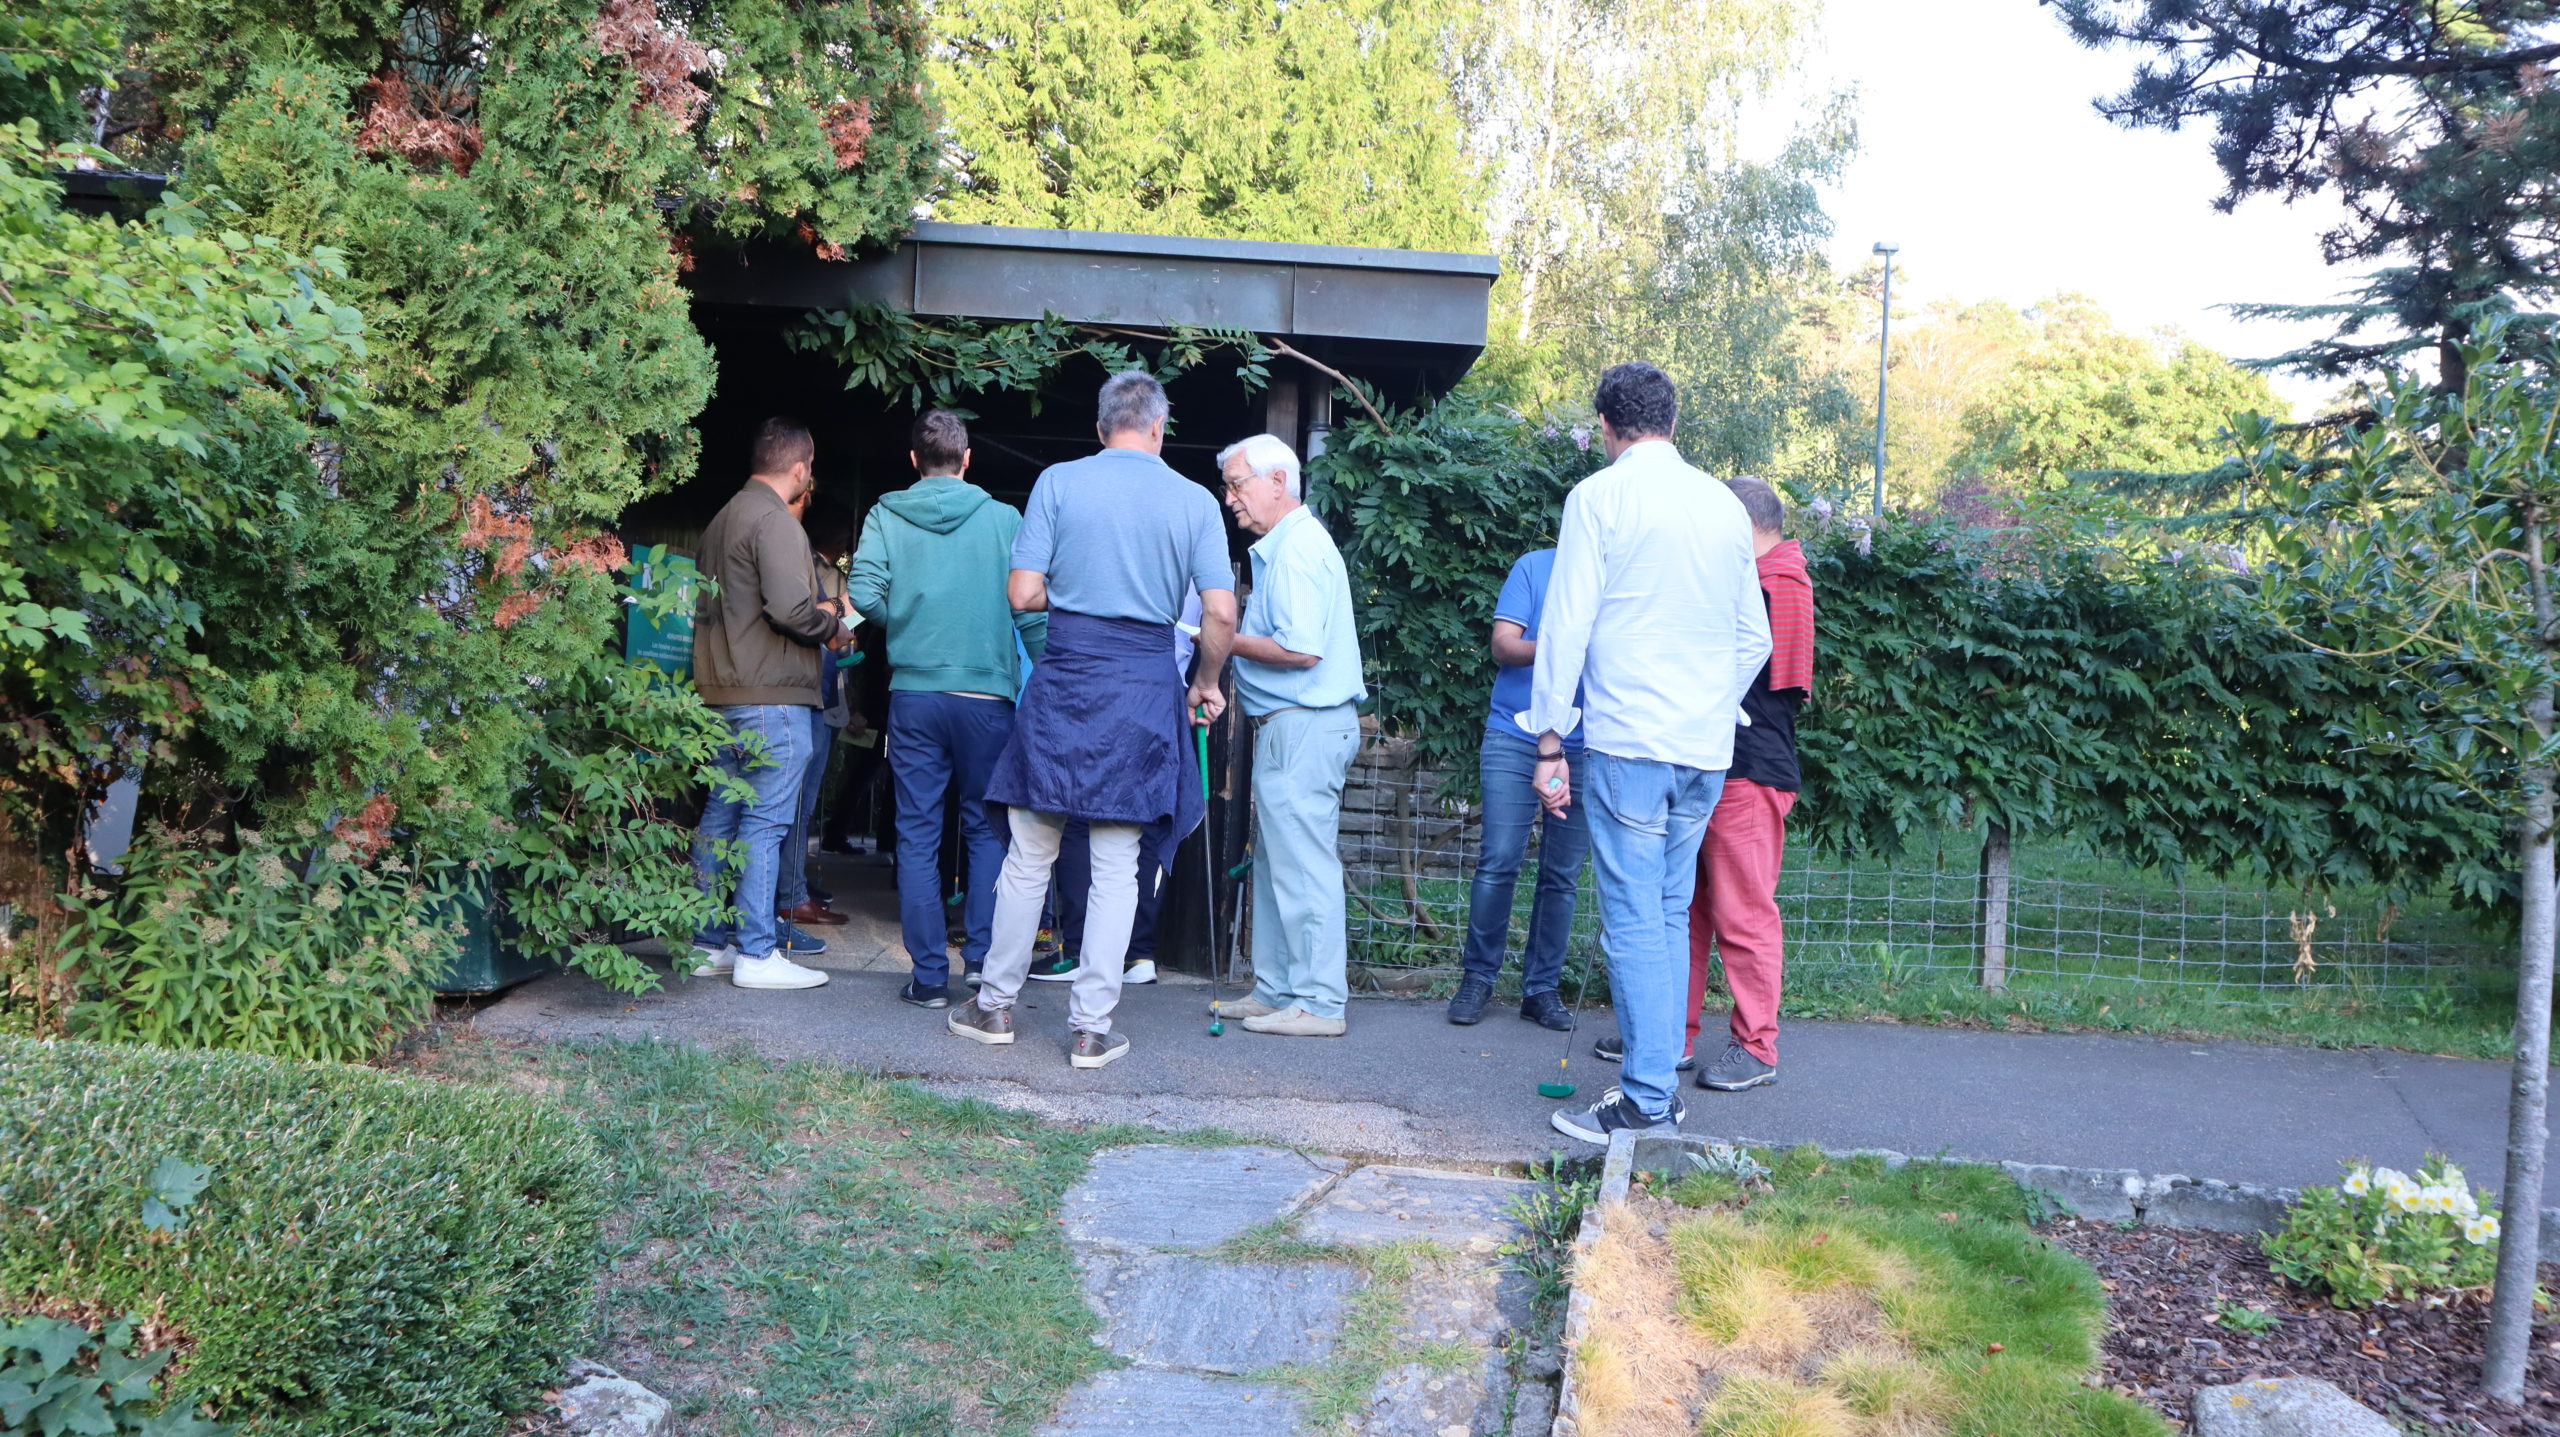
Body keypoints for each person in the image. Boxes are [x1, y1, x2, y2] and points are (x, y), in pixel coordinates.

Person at [947, 372, 1237, 1069]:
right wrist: (1204, 682)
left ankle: (993, 1006)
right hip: (1142, 688)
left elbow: (1023, 592)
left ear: (1102, 427)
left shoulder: (1058, 482)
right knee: (1116, 864)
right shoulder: (1194, 501)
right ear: (1159, 427)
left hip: (1066, 681)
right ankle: (1090, 1030)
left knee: (1030, 852)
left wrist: (1075, 594)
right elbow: (1221, 613)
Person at [1529, 363, 1770, 1143]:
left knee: (1634, 919)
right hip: (1705, 747)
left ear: (1606, 426)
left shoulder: (1599, 497)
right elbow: (1754, 636)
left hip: (1632, 739)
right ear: (1673, 420)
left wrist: (1549, 738)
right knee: (1666, 912)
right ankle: (1658, 1085)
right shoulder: (1724, 506)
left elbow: (1566, 623)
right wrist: (1710, 702)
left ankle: (1644, 1101)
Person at [846, 409, 1048, 1009]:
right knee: (988, 829)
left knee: (916, 832)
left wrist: (907, 621)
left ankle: (930, 977)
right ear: (967, 459)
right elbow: (1029, 610)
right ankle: (982, 964)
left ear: (914, 460)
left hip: (915, 695)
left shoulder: (886, 514)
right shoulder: (1004, 519)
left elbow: (863, 593)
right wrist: (1047, 672)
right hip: (988, 698)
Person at [687, 416, 855, 991]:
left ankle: (706, 942)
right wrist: (833, 620)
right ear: (801, 468)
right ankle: (757, 952)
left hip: (722, 693)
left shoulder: (722, 519)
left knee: (720, 818)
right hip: (772, 698)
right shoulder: (776, 521)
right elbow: (792, 611)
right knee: (765, 823)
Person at [1209, 434, 1366, 1037]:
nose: (1230, 498)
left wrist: (1218, 638)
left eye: (1237, 484)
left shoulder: (1298, 548)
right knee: (1279, 863)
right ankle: (1277, 990)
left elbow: (1301, 650)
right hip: (1295, 727)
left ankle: (1321, 1003)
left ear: (1278, 481)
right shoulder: (1287, 545)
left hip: (1304, 726)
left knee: (1302, 866)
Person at [1684, 477, 1813, 1089]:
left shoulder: (1776, 581)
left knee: (1744, 915)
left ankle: (1757, 1048)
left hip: (1750, 770)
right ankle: (1670, 1034)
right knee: (1686, 910)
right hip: (1711, 761)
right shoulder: (1763, 577)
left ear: (1743, 524)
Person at [1447, 547, 1589, 1032]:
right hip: (1514, 732)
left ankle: (1541, 990)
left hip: (1586, 741)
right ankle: (1477, 979)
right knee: (1499, 859)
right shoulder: (1535, 565)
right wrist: (1560, 647)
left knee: (1562, 874)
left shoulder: (1623, 574)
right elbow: (1503, 645)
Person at [777, 504, 854, 931]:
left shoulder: (801, 562)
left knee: (797, 804)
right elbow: (816, 620)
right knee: (797, 803)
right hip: (810, 693)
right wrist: (842, 609)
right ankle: (789, 897)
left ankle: (792, 891)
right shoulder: (808, 566)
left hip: (817, 692)